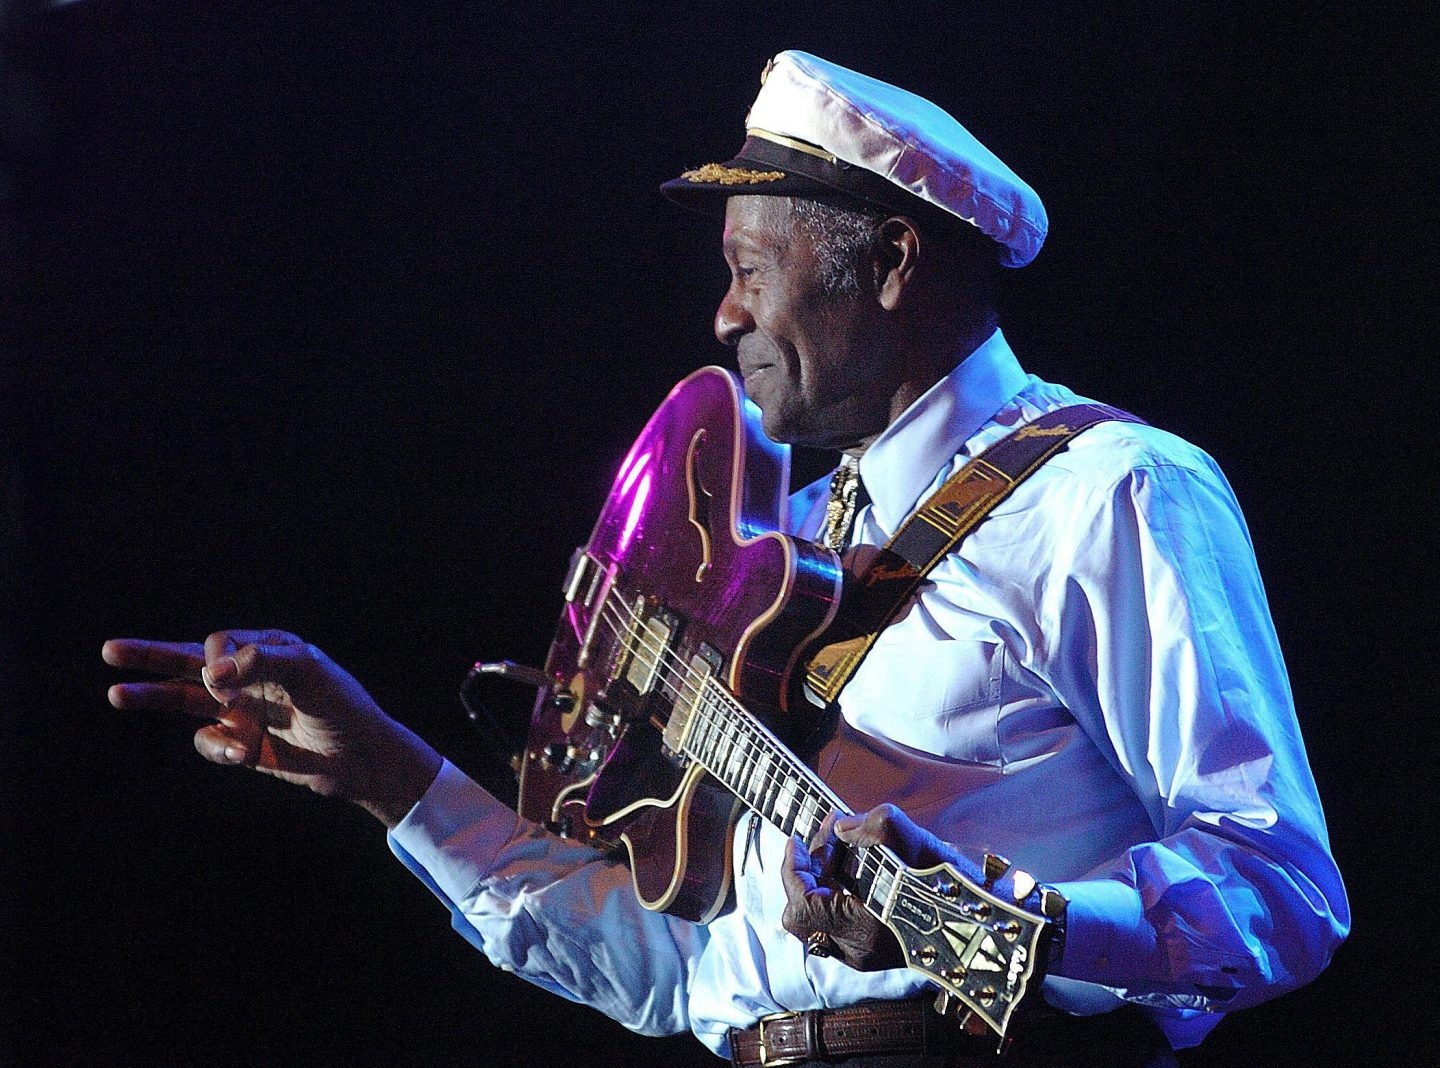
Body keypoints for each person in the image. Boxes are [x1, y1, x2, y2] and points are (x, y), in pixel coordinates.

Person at [103, 51, 1348, 1067]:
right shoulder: (780, 558)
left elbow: (1278, 890)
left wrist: (1025, 919)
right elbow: (683, 975)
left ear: (894, 263)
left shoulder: (1110, 492)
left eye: (750, 269)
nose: (724, 314)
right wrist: (387, 776)